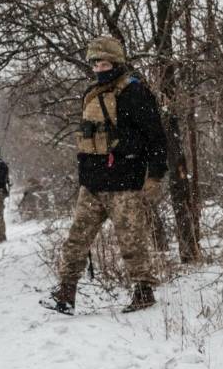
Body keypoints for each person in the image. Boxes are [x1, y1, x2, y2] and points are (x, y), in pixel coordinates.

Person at [47, 35, 168, 314]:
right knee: (77, 238)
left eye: (103, 63)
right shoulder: (92, 93)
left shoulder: (135, 92)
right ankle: (66, 293)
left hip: (124, 180)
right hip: (92, 182)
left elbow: (156, 137)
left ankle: (143, 291)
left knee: (131, 239)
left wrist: (155, 175)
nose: (99, 68)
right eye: (95, 64)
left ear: (116, 62)